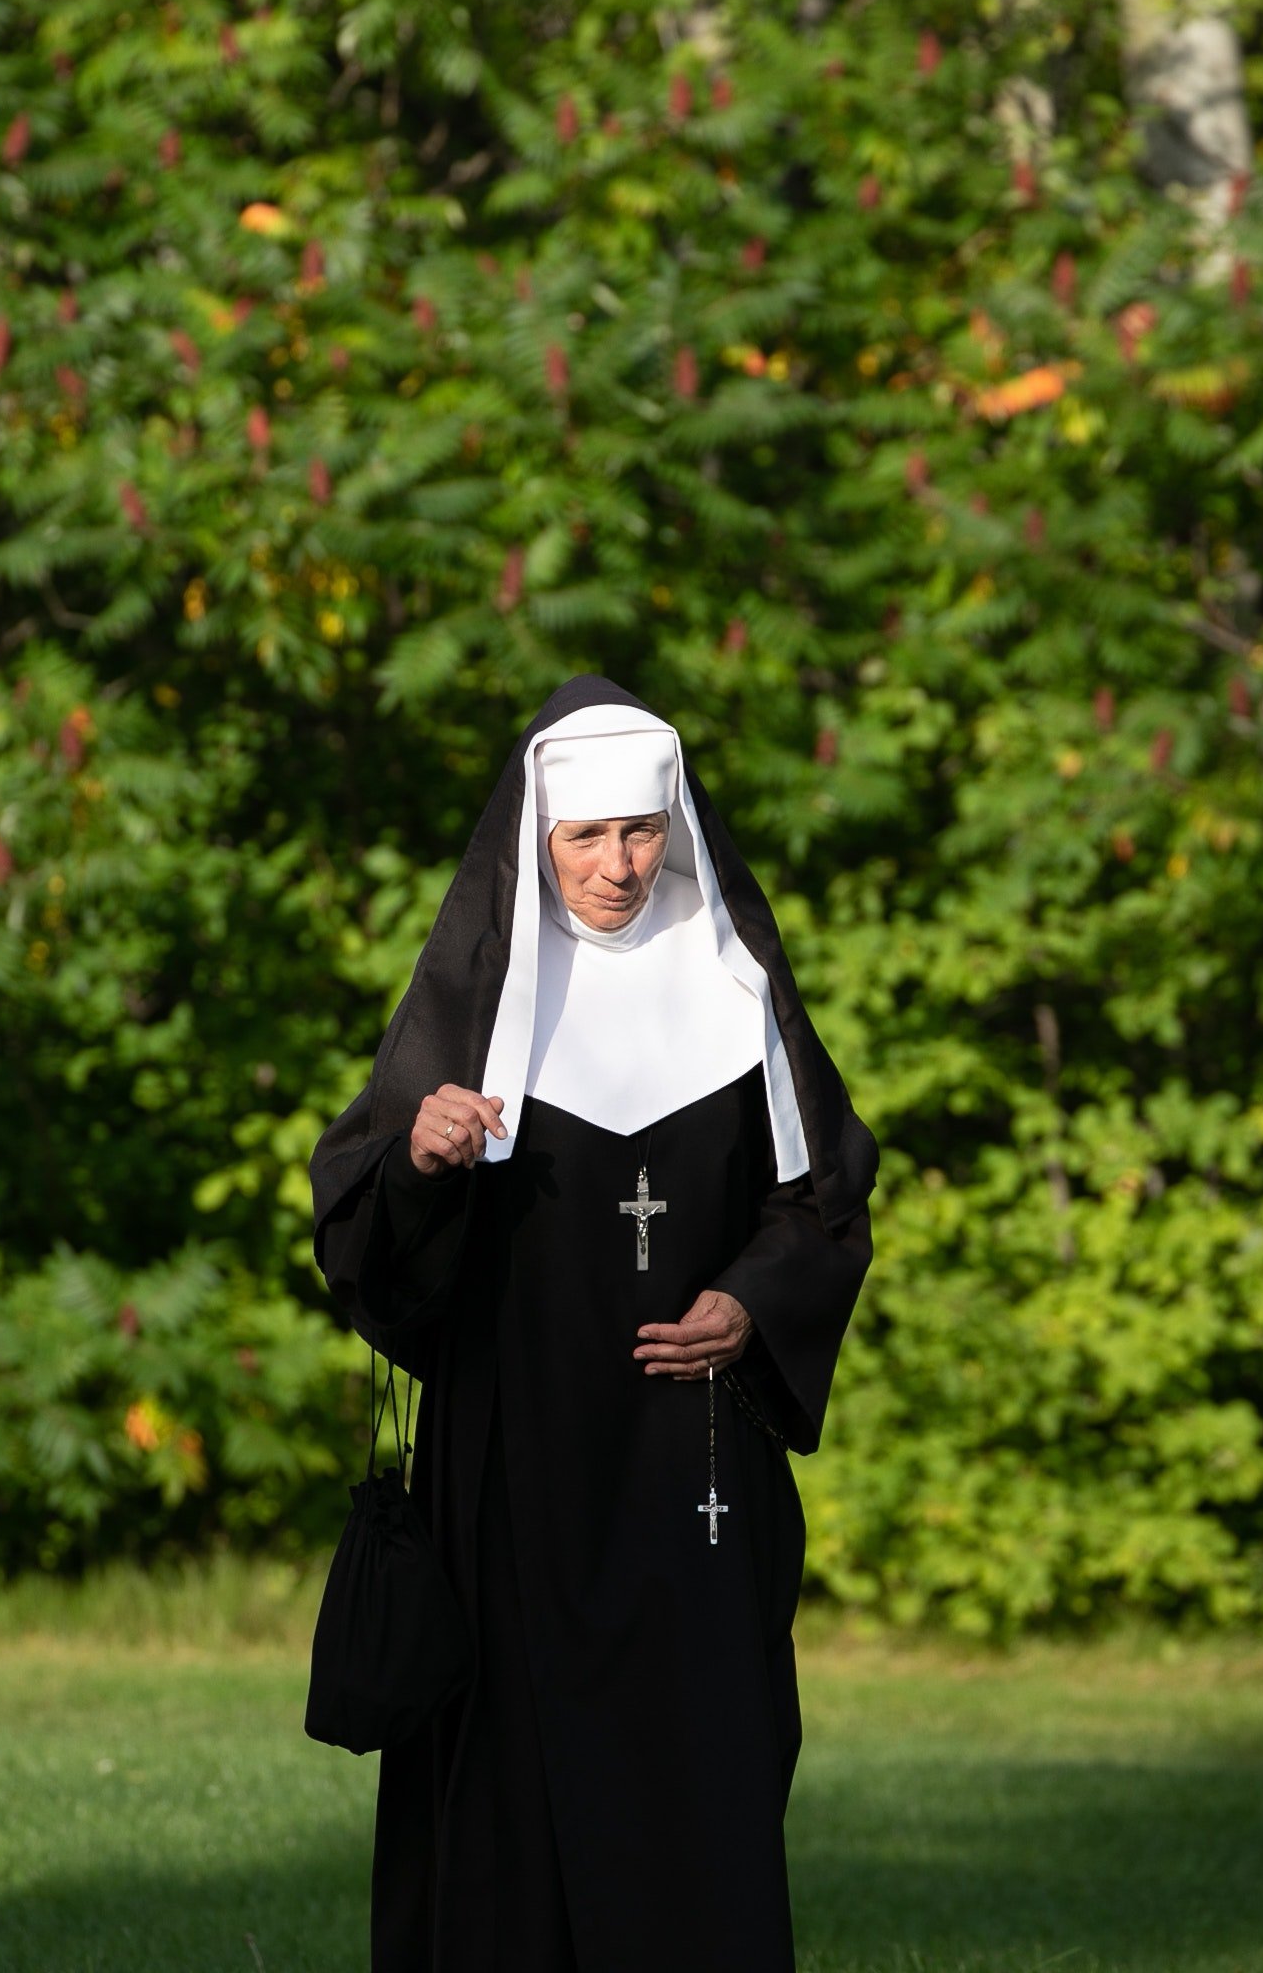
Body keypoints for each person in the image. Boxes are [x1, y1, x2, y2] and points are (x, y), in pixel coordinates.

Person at [310, 675, 879, 1973]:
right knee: (510, 1781)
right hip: (514, 1473)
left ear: (673, 822)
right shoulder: (476, 1013)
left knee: (706, 1757)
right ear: (538, 837)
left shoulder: (738, 997)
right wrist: (419, 1155)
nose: (618, 865)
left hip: (697, 1471)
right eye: (585, 837)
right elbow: (356, 1225)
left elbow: (824, 1198)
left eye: (641, 831)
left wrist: (754, 1297)